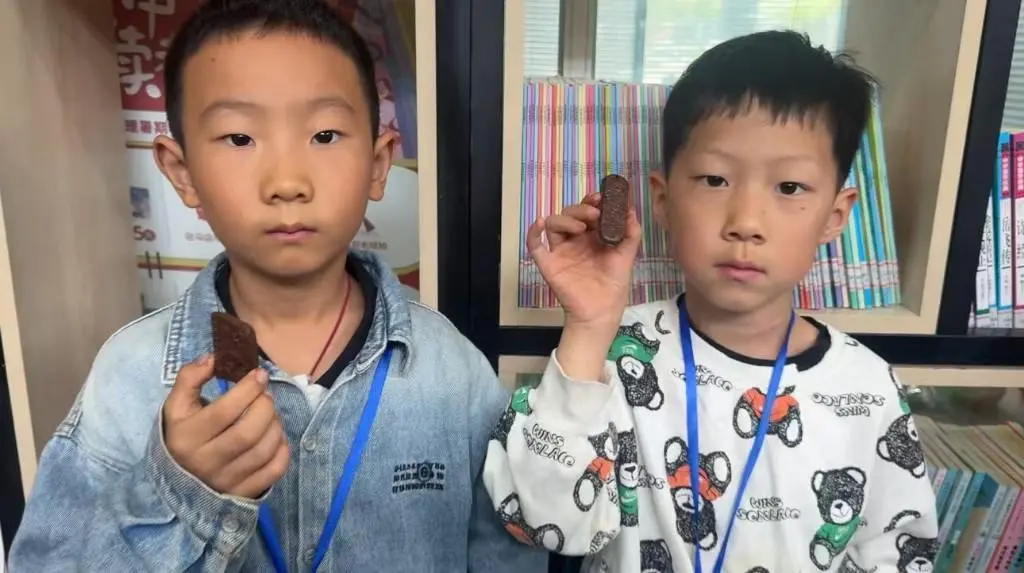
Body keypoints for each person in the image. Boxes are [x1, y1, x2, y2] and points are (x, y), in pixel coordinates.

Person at [9, 1, 547, 571]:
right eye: (240, 138)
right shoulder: (130, 376)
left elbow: (506, 555)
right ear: (182, 172)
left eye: (325, 134)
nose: (287, 182)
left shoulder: (452, 373)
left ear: (378, 163)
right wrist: (181, 493)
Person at [483, 31, 938, 572]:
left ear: (835, 216)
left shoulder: (868, 388)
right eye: (715, 179)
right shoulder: (616, 353)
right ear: (663, 201)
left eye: (789, 188)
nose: (745, 221)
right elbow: (541, 522)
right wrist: (587, 324)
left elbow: (897, 555)